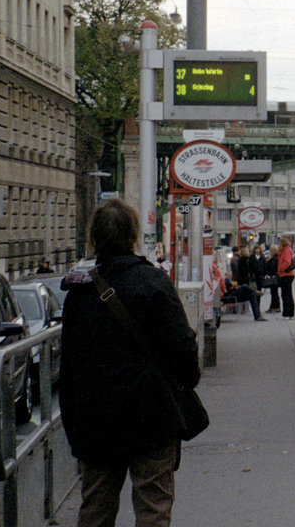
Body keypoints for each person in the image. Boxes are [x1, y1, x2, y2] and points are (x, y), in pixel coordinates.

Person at [59, 199, 202, 527]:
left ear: (93, 240)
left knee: (95, 505)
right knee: (154, 506)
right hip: (152, 414)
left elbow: (69, 366)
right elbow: (183, 346)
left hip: (96, 420)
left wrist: (75, 426)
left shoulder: (79, 295)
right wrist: (186, 382)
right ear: (134, 236)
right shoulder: (153, 283)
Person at [277, 237, 295, 319]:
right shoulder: (288, 250)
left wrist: (281, 269)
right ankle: (290, 313)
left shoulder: (286, 251)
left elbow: (287, 262)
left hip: (286, 275)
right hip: (288, 275)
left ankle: (286, 313)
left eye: (279, 244)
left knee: (285, 295)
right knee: (288, 294)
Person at [264, 244, 281, 313]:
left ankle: (275, 307)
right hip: (275, 278)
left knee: (274, 293)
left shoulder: (275, 259)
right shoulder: (275, 258)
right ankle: (273, 307)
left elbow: (272, 268)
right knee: (274, 293)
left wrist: (267, 262)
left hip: (274, 278)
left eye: (271, 251)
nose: (270, 252)